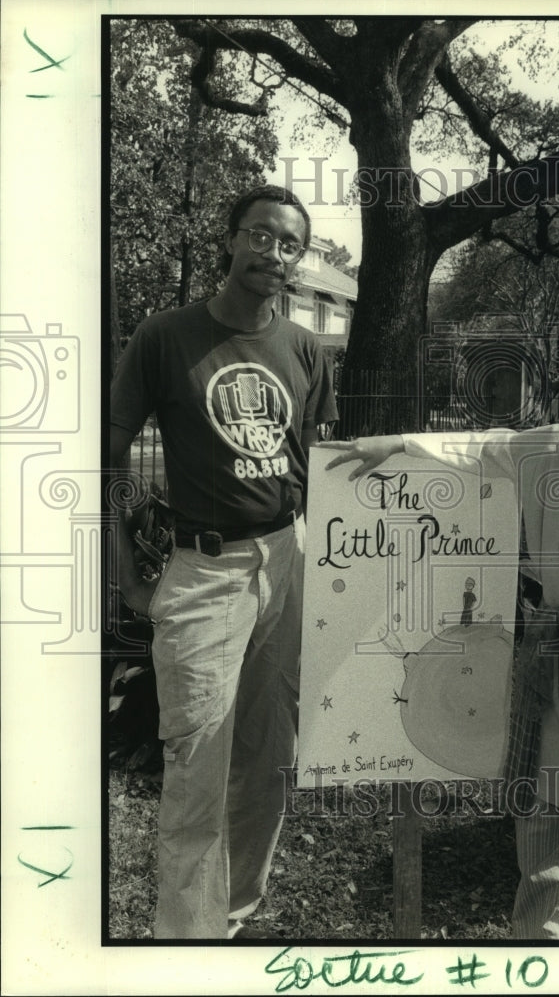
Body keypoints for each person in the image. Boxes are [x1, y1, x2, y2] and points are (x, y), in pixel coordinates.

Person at [324, 305, 559, 940]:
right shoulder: (553, 446)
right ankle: (541, 953)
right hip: (546, 673)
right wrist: (397, 443)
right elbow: (483, 448)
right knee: (540, 848)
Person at [109, 185, 338, 939]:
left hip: (288, 556)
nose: (275, 254)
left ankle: (234, 913)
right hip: (204, 570)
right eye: (263, 236)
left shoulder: (306, 347)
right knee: (197, 767)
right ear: (231, 237)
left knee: (271, 755)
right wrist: (127, 574)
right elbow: (105, 462)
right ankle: (185, 942)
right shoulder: (165, 336)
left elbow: (321, 463)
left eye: (290, 245)